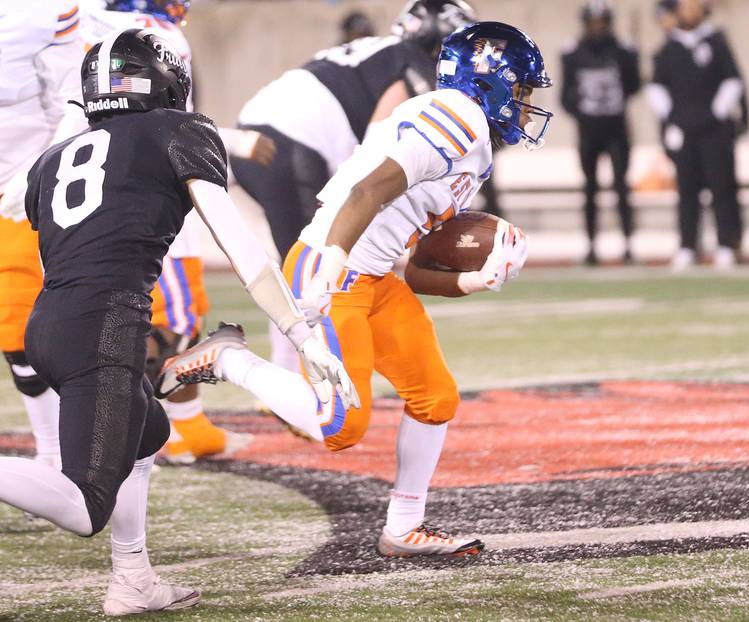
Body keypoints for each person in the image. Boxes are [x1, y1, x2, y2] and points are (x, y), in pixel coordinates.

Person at [0, 29, 356, 615]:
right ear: (161, 81)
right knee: (86, 505)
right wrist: (300, 332)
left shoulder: (52, 159)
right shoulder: (180, 130)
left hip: (54, 323)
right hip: (102, 326)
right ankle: (126, 574)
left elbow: (61, 254)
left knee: (149, 435)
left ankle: (133, 578)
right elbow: (240, 246)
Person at [159, 21, 544, 558]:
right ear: (494, 84)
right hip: (335, 268)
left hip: (377, 276)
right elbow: (368, 190)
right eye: (523, 91)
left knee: (435, 399)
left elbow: (412, 270)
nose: (527, 108)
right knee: (338, 425)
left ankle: (404, 528)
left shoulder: (474, 146)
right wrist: (330, 265)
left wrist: (474, 278)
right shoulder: (460, 117)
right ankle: (227, 358)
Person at [231, 0, 475, 375]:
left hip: (259, 133)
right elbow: (382, 143)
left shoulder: (380, 49)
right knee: (313, 269)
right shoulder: (410, 62)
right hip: (292, 146)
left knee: (300, 262)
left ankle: (286, 371)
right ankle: (284, 378)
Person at [81, 0, 277, 464]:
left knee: (176, 318)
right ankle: (140, 434)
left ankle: (186, 427)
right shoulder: (146, 34)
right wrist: (231, 140)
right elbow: (150, 119)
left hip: (108, 188)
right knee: (170, 322)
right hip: (146, 190)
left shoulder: (93, 25)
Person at [0, 1, 87, 487]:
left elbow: (76, 97)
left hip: (23, 185)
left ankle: (56, 453)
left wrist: (41, 170)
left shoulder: (38, 11)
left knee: (19, 324)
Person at [647, 0, 747, 270]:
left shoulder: (716, 42)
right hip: (685, 131)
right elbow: (656, 88)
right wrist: (674, 120)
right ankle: (688, 245)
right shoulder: (669, 48)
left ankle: (726, 244)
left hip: (714, 131)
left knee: (722, 188)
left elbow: (733, 81)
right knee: (687, 192)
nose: (690, 10)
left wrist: (716, 113)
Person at [561, 0, 640, 266]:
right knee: (590, 188)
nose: (597, 29)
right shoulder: (573, 52)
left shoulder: (622, 50)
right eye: (592, 23)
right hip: (589, 130)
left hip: (616, 128)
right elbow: (565, 96)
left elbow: (634, 85)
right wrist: (585, 112)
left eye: (601, 23)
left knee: (621, 186)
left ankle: (629, 244)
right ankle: (591, 245)